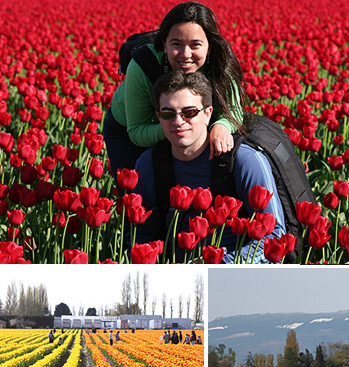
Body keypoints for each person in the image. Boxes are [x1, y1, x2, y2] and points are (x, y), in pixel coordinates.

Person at [133, 70, 285, 262]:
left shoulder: (245, 161)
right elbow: (142, 234)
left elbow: (275, 235)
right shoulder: (149, 164)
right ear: (158, 117)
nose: (178, 122)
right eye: (168, 113)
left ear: (208, 114)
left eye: (189, 112)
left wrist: (218, 266)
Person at [103, 2, 246, 184]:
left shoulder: (221, 61)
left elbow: (233, 110)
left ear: (209, 47)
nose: (186, 55)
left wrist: (222, 126)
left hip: (187, 126)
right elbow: (137, 131)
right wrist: (182, 127)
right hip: (133, 131)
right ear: (164, 43)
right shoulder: (142, 65)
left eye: (195, 45)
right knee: (136, 198)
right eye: (176, 44)